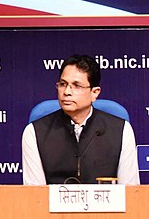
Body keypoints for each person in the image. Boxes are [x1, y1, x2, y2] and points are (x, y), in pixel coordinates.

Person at [21, 54, 139, 185]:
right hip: (52, 205)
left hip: (107, 205)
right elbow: (34, 195)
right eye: (62, 84)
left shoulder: (121, 130)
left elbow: (130, 193)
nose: (66, 92)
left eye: (77, 86)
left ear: (95, 92)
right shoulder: (34, 132)